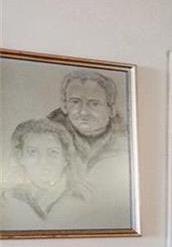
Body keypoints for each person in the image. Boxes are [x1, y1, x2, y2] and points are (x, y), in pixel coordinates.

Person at [43, 68, 130, 227]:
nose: (83, 112)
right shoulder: (43, 137)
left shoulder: (131, 140)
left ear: (110, 109)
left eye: (94, 104)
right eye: (75, 102)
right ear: (64, 106)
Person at [0, 118, 90, 228]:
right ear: (20, 157)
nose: (43, 162)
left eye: (53, 152)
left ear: (65, 158)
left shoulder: (84, 200)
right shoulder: (6, 200)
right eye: (33, 152)